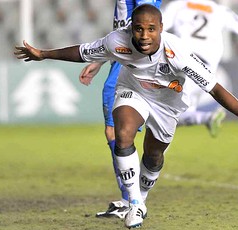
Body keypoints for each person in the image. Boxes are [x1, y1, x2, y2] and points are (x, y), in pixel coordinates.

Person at [14, 4, 238, 229]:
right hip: (133, 90)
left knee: (153, 156)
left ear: (161, 27)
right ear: (131, 28)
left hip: (167, 104)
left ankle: (142, 198)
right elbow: (82, 51)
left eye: (151, 29)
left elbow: (216, 89)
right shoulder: (117, 40)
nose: (144, 35)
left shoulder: (179, 53)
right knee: (124, 134)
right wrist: (44, 54)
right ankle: (134, 204)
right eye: (138, 28)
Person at [79, 0, 162, 219]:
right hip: (120, 61)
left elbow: (143, 26)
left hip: (132, 64)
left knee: (121, 131)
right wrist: (99, 60)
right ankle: (129, 199)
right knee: (115, 132)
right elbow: (123, 28)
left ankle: (132, 200)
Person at [162, 0, 238, 137]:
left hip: (183, 63)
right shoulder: (220, 10)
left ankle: (207, 118)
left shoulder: (178, 5)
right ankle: (208, 118)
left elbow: (157, 27)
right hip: (206, 69)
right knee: (176, 116)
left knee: (164, 114)